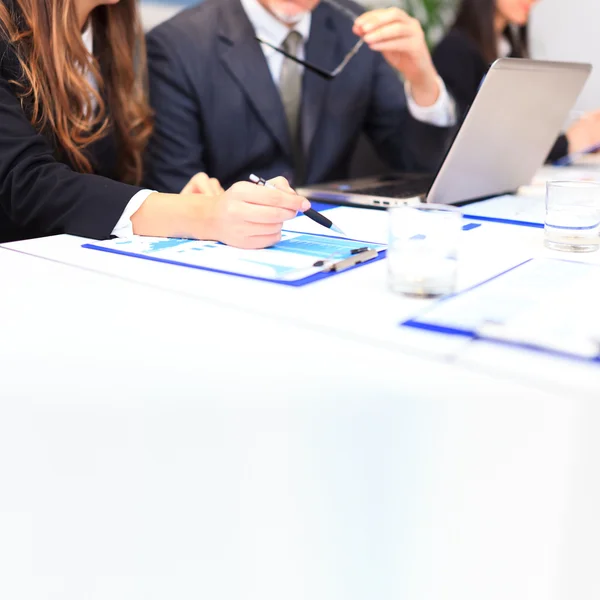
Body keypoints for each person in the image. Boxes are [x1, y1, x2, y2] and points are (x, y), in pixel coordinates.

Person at [0, 0, 307, 246]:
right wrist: (195, 214)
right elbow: (24, 184)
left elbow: (100, 174)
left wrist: (173, 202)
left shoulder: (106, 27)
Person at [144, 0, 458, 195]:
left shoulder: (358, 29)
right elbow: (176, 183)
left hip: (334, 237)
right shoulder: (178, 44)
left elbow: (414, 163)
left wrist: (422, 79)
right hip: (228, 243)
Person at [433, 0, 600, 163]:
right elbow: (473, 144)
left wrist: (581, 134)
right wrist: (567, 143)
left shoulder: (508, 49)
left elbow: (518, 130)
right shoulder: (455, 51)